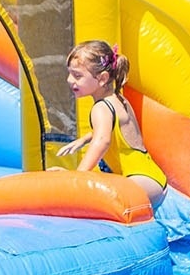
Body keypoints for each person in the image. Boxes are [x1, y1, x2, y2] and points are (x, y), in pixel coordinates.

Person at [55, 39, 167, 205]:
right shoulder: (119, 99)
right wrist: (84, 139)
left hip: (137, 181)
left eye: (77, 75)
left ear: (102, 78)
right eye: (70, 73)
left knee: (85, 196)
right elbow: (114, 131)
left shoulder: (101, 107)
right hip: (151, 179)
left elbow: (103, 141)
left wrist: (77, 178)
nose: (70, 80)